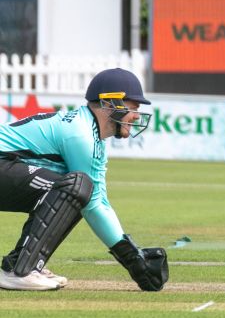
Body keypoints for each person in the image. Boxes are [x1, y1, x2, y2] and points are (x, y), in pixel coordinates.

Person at [0, 68, 169, 291]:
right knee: (76, 188)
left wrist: (131, 253)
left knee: (80, 190)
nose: (137, 115)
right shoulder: (80, 133)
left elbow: (98, 200)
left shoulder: (91, 133)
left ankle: (23, 264)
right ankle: (19, 271)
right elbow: (92, 204)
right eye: (133, 107)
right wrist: (131, 258)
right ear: (110, 103)